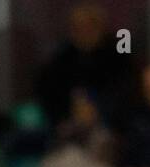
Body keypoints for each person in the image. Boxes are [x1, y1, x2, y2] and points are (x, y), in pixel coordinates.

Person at [34, 3, 135, 132]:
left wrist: (98, 110)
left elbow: (125, 93)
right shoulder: (61, 58)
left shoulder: (118, 56)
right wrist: (71, 110)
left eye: (89, 26)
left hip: (112, 127)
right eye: (77, 28)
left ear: (99, 27)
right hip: (66, 125)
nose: (84, 32)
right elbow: (47, 92)